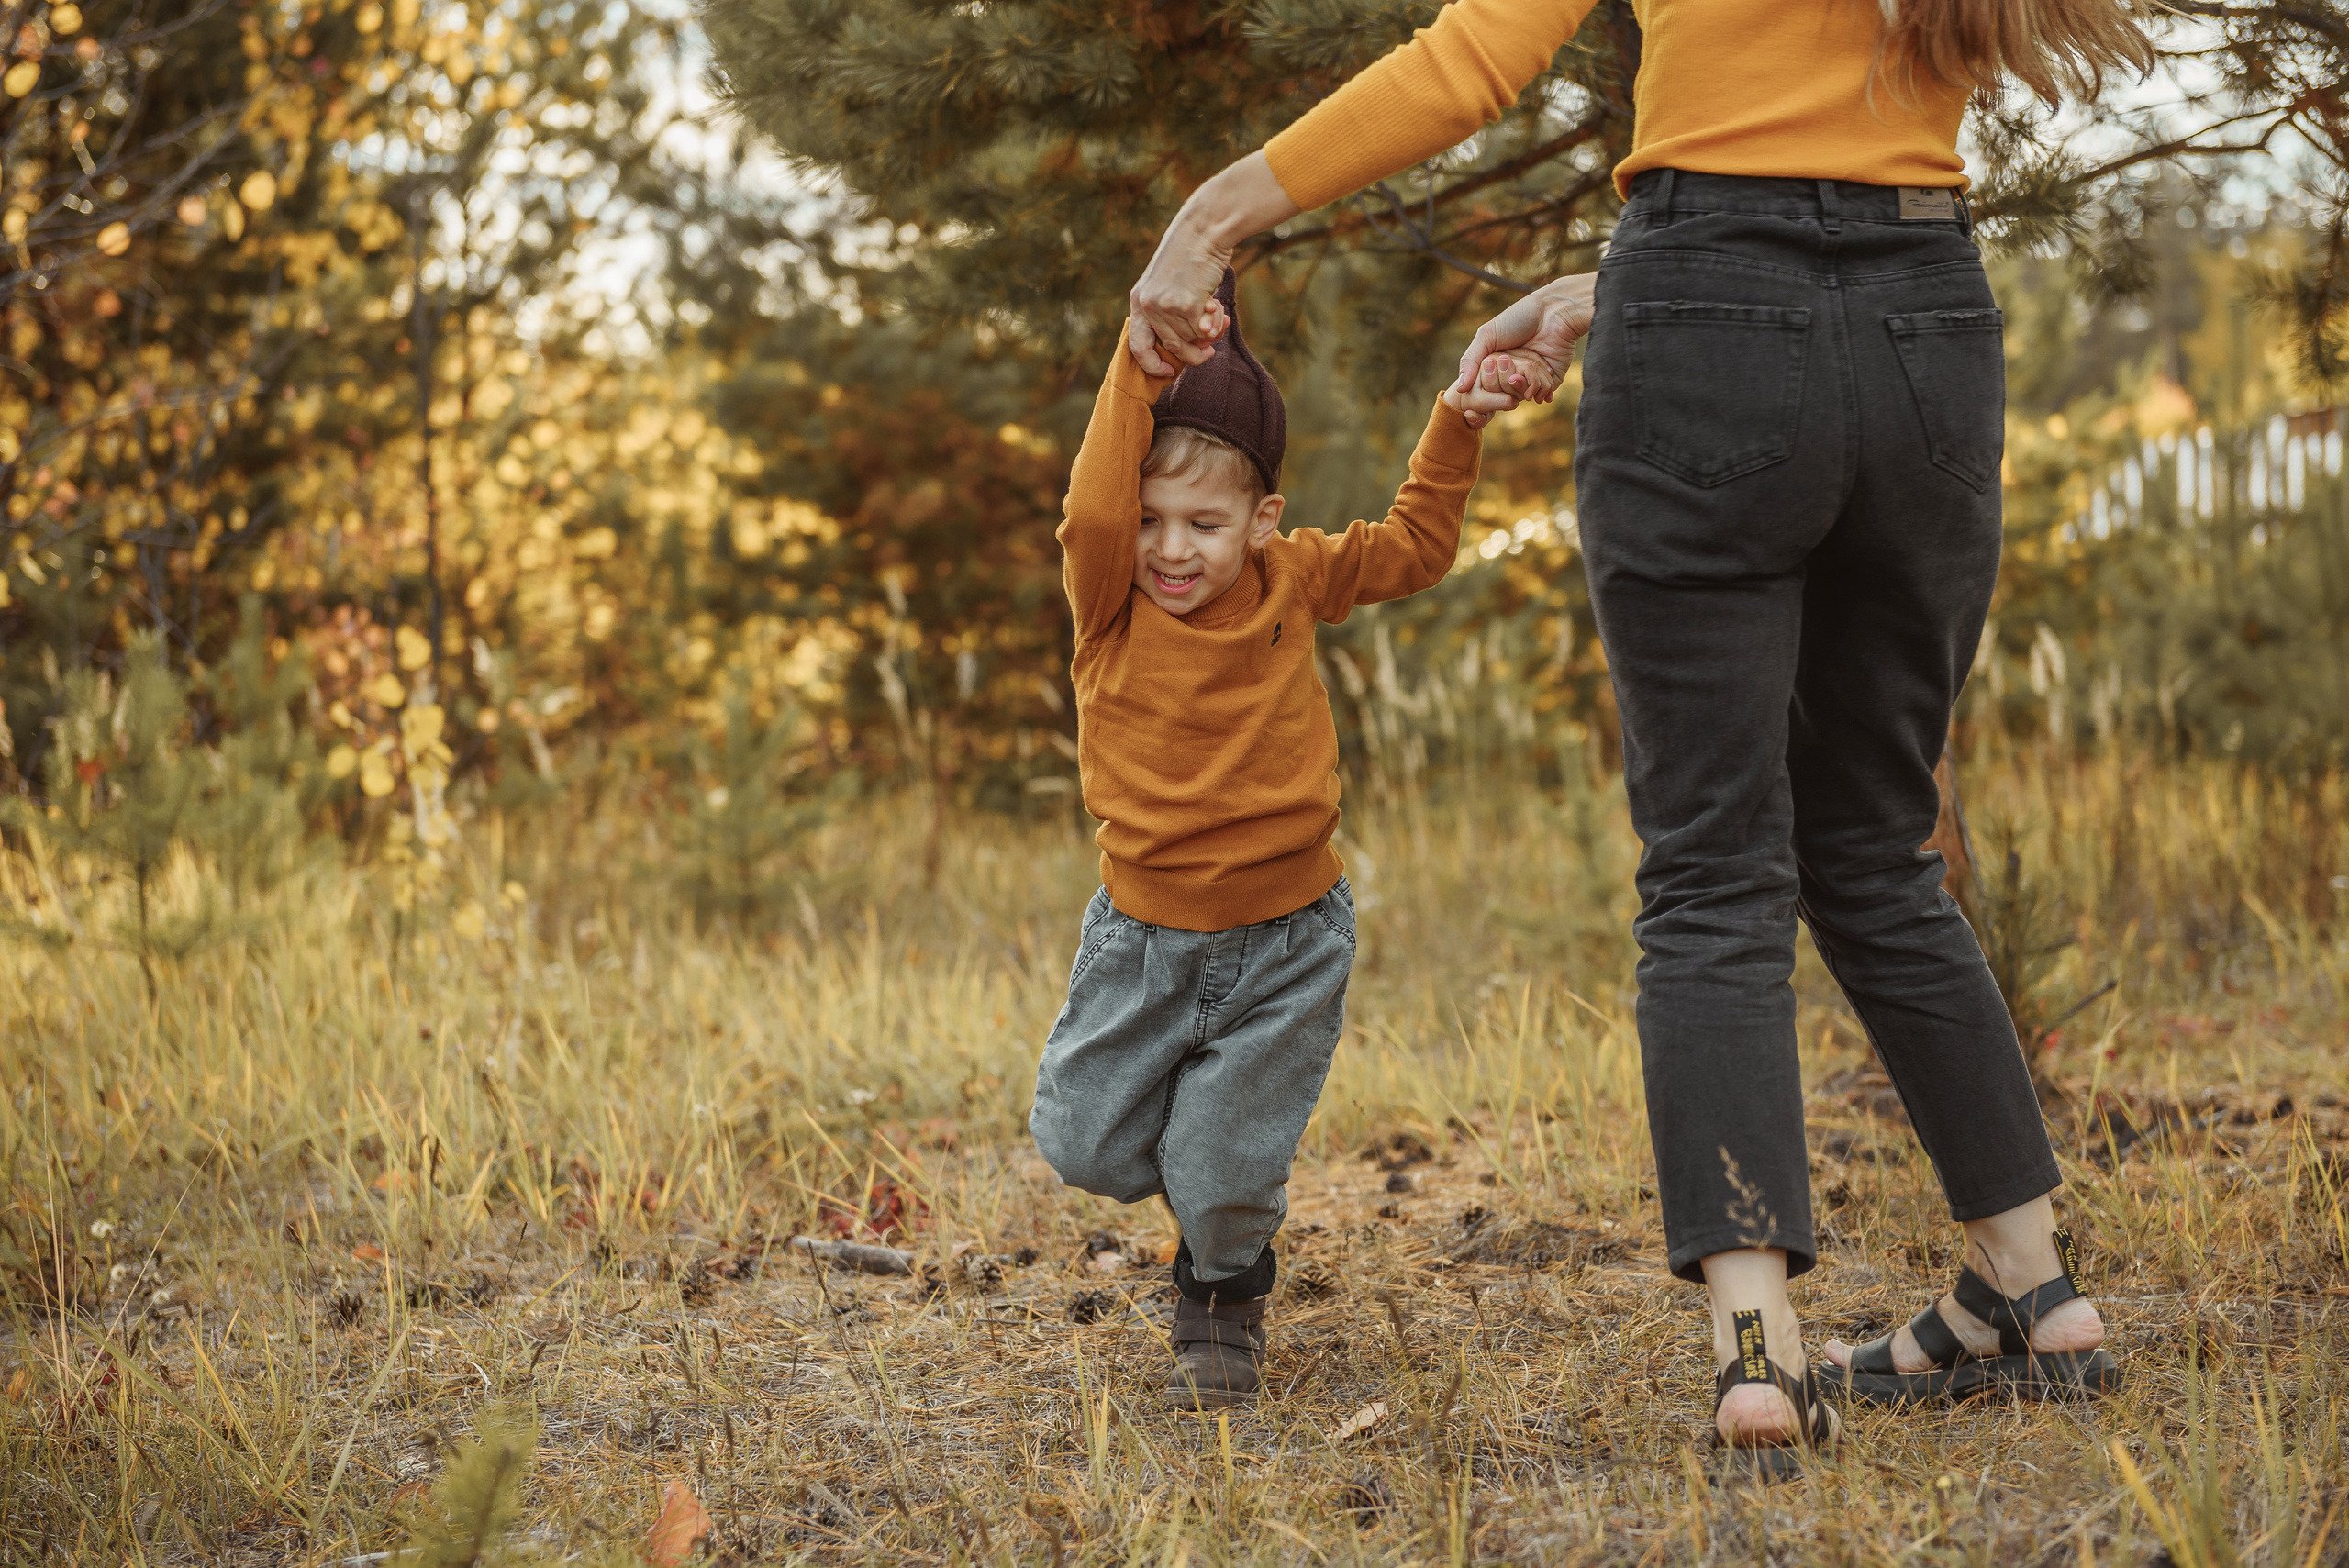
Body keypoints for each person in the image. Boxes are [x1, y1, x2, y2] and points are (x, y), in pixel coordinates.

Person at [1123, 0, 2152, 1468]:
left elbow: (1473, 59)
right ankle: (2037, 1291)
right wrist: (1623, 283)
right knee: (1876, 845)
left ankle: (1759, 1354)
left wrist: (1211, 218)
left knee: (1714, 863)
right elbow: (1817, 153)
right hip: (1929, 314)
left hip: (1708, 315)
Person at [1030, 271, 1520, 1409]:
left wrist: (1455, 420)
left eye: (1203, 523)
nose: (1171, 548)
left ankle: (1222, 1278)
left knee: (1218, 1170)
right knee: (1084, 1146)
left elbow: (1414, 545)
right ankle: (1211, 1173)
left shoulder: (1292, 575)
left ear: (1262, 520)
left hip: (1288, 940)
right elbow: (1092, 512)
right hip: (1142, 943)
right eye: (1154, 519)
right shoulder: (1108, 599)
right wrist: (1138, 360)